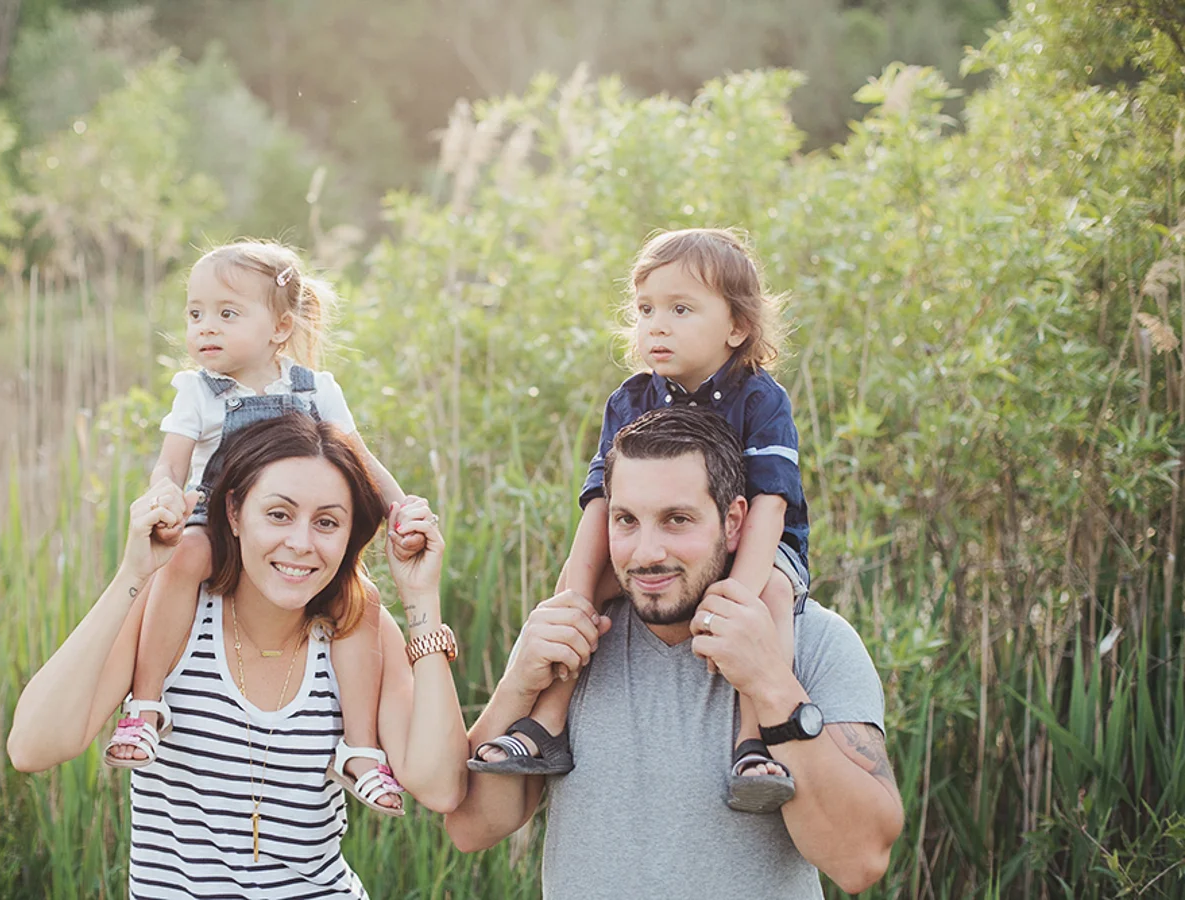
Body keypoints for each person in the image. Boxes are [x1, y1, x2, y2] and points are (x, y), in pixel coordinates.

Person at [446, 408, 902, 898]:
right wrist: (519, 682)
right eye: (626, 520)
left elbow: (860, 862)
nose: (646, 553)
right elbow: (473, 829)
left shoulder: (815, 641)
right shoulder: (572, 636)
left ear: (732, 523)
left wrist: (770, 684)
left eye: (676, 520)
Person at [9, 414, 467, 898]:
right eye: (278, 514)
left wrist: (421, 599)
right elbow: (32, 748)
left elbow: (441, 788)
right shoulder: (174, 617)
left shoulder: (356, 631)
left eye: (327, 522)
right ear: (233, 512)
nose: (301, 544)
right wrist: (133, 573)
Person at [470, 227, 812, 813]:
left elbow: (770, 505)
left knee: (772, 601)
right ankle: (548, 722)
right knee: (574, 601)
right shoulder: (630, 400)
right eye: (646, 309)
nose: (656, 324)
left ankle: (754, 743)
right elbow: (601, 504)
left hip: (761, 545)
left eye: (681, 309)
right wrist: (575, 594)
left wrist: (736, 594)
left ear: (737, 327)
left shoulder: (760, 399)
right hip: (669, 548)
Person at [105, 240, 417, 817]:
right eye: (195, 313)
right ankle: (146, 706)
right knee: (185, 559)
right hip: (211, 521)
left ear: (280, 327)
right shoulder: (197, 391)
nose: (205, 328)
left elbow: (360, 460)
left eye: (227, 313)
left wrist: (401, 509)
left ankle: (359, 748)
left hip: (287, 531)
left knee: (361, 600)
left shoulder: (315, 389)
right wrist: (164, 494)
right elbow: (171, 462)